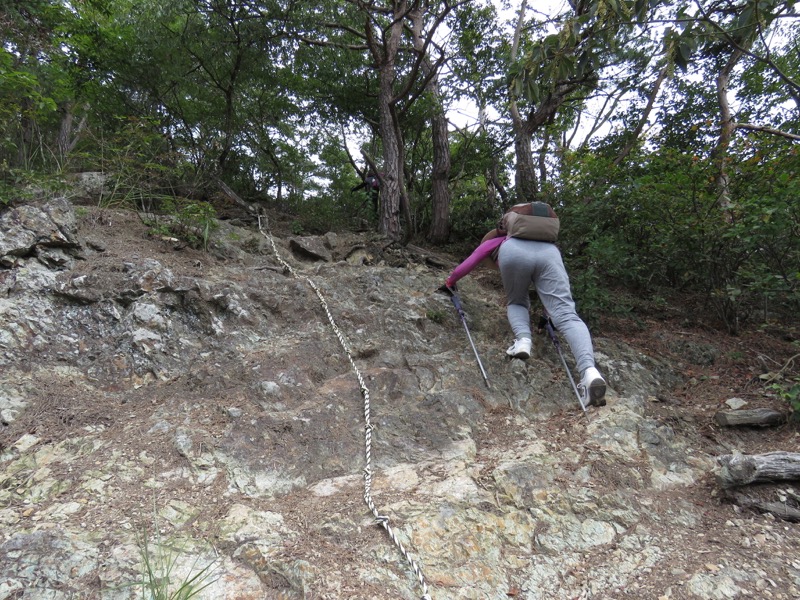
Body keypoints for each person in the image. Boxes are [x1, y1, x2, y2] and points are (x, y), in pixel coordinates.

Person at [443, 224, 607, 407]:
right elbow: (548, 292)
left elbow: (470, 261)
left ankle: (523, 342)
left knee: (517, 301)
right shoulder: (546, 243)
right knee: (566, 315)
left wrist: (450, 281)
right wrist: (547, 316)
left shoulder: (498, 241)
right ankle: (590, 372)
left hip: (513, 253)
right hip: (550, 255)